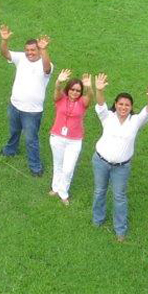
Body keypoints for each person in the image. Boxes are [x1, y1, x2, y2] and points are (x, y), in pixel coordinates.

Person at [90, 74, 148, 242]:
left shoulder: (135, 121)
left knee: (119, 196)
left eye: (127, 105)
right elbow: (100, 103)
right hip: (100, 162)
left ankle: (120, 230)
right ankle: (97, 220)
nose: (123, 107)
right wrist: (99, 90)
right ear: (116, 105)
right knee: (99, 191)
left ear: (131, 107)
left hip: (121, 167)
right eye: (120, 104)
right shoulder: (108, 117)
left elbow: (147, 111)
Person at [0, 28, 53, 176]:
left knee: (31, 140)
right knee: (14, 131)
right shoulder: (21, 58)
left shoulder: (45, 63)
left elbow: (47, 68)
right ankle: (10, 150)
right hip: (14, 106)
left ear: (39, 50)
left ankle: (35, 167)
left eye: (34, 50)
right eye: (28, 50)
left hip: (32, 111)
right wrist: (4, 40)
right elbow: (5, 53)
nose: (30, 52)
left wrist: (44, 50)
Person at [48, 70, 91, 205]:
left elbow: (90, 96)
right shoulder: (61, 98)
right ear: (68, 89)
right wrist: (59, 82)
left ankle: (63, 192)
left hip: (74, 141)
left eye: (78, 90)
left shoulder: (83, 102)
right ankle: (56, 188)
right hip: (57, 137)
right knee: (58, 164)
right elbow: (56, 91)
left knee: (68, 168)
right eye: (72, 89)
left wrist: (89, 87)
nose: (74, 92)